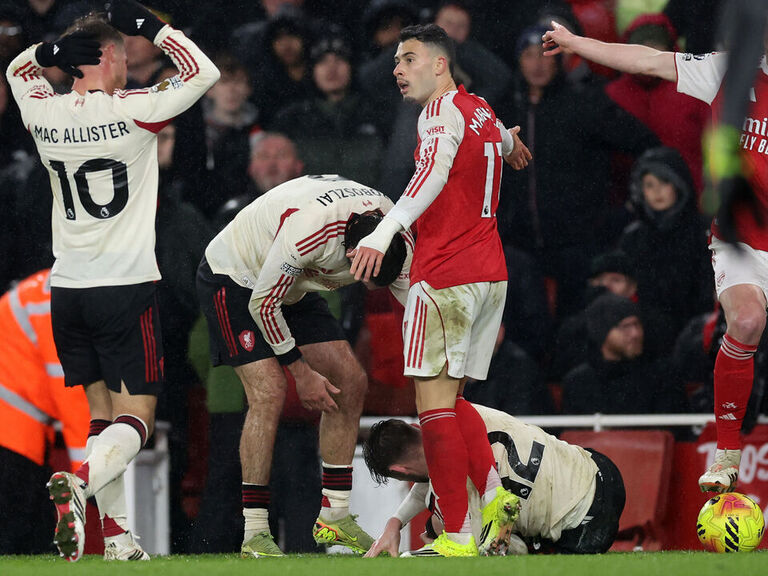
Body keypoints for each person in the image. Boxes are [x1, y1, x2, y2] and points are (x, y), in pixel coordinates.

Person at [6, 1, 220, 561]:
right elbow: (205, 72)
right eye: (124, 53)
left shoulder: (44, 113)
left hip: (68, 289)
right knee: (137, 422)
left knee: (101, 421)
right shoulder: (135, 109)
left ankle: (121, 539)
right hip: (125, 288)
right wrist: (154, 26)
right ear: (105, 56)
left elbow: (17, 70)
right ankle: (79, 483)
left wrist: (50, 52)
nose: (131, 63)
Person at [542, 16, 768, 494]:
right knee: (745, 322)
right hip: (742, 236)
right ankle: (728, 450)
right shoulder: (729, 72)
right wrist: (576, 41)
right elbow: (647, 60)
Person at [349, 23, 532, 557]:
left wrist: (383, 233)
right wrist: (514, 144)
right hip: (490, 275)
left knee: (431, 409)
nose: (397, 70)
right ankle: (496, 493)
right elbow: (501, 137)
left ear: (439, 64)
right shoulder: (480, 109)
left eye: (408, 59)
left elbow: (430, 175)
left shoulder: (437, 114)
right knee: (453, 402)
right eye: (396, 62)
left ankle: (455, 534)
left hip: (446, 274)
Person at [196, 174, 413, 557]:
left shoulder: (399, 235)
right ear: (350, 255)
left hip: (295, 284)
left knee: (351, 380)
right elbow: (262, 305)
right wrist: (301, 374)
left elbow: (414, 311)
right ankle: (255, 534)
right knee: (269, 392)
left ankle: (335, 514)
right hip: (237, 278)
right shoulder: (309, 234)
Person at [361, 401, 626, 556]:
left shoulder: (463, 496)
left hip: (586, 526)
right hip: (599, 468)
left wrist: (410, 555)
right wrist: (395, 522)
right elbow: (435, 475)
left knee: (488, 546)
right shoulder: (457, 411)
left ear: (401, 471)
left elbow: (488, 552)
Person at [0, 269, 89, 555]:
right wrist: (87, 479)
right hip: (11, 430)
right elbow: (70, 391)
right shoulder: (58, 297)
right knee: (20, 542)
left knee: (29, 540)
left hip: (15, 427)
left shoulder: (48, 289)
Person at [561, 293, 688, 417]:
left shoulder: (663, 375)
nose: (635, 333)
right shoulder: (579, 382)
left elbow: (672, 430)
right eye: (625, 327)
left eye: (637, 324)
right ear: (602, 333)